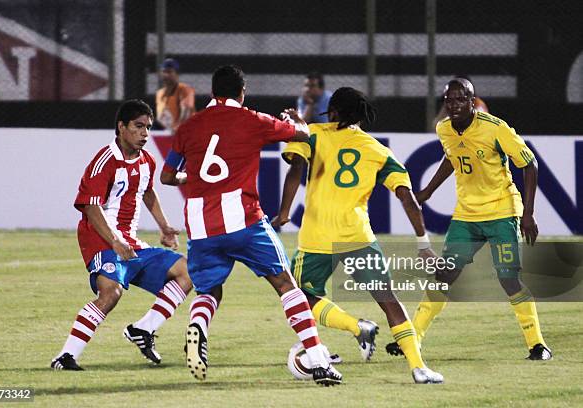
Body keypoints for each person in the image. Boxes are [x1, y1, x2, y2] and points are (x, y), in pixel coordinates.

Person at [160, 65, 342, 386]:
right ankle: (317, 359)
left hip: (201, 224)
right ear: (242, 93)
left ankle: (199, 326)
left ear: (213, 93)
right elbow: (301, 135)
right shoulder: (252, 119)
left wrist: (189, 177)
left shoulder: (189, 127)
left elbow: (167, 177)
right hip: (243, 219)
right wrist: (298, 122)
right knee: (285, 284)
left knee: (208, 290)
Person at [272, 87, 444, 384]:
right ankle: (418, 367)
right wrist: (423, 243)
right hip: (357, 237)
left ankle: (356, 327)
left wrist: (285, 211)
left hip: (317, 237)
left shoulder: (312, 133)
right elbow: (407, 198)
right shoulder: (378, 150)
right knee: (388, 300)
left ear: (334, 111)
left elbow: (296, 166)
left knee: (301, 297)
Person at [386, 78, 552, 360]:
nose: (454, 105)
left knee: (508, 279)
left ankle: (538, 344)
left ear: (473, 101)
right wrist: (426, 191)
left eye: (461, 99)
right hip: (466, 216)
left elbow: (530, 163)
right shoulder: (444, 129)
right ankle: (412, 339)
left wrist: (528, 214)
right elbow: (452, 157)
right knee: (443, 276)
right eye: (449, 100)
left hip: (501, 212)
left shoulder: (495, 128)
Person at [51, 100, 192, 370]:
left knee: (188, 271)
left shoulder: (147, 161)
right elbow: (91, 206)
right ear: (121, 127)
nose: (145, 134)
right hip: (101, 239)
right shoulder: (104, 161)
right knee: (110, 293)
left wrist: (163, 227)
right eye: (138, 127)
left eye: (148, 128)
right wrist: (114, 241)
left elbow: (148, 192)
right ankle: (65, 356)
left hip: (131, 243)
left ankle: (143, 329)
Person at [155, 58, 196, 134]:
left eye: (169, 72)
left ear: (177, 74)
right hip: (168, 133)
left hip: (186, 132)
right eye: (164, 72)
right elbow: (160, 117)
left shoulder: (186, 90)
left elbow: (186, 113)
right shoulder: (159, 93)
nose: (166, 75)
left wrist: (177, 128)